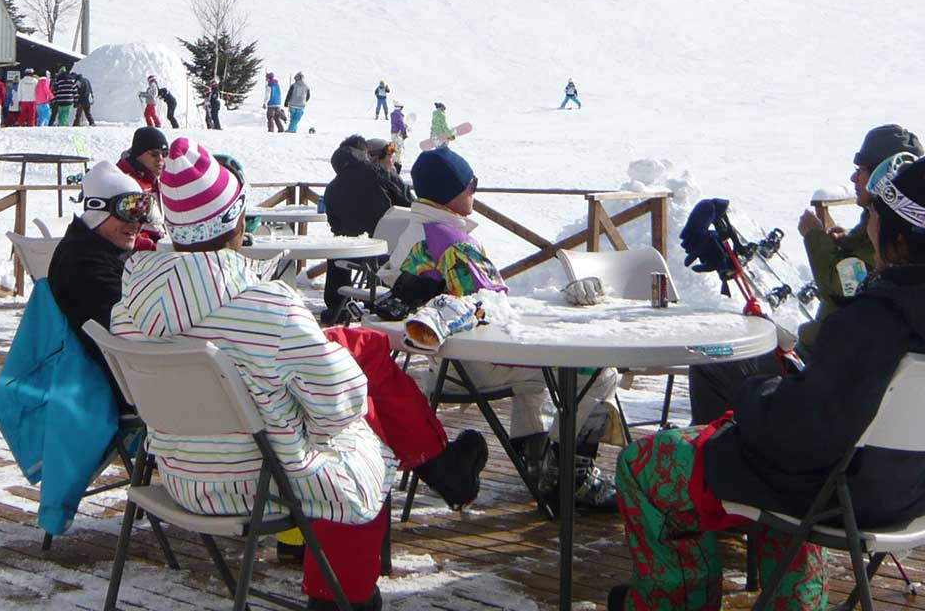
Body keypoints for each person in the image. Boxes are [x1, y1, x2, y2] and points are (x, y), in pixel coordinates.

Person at [611, 151, 925, 611]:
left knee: (644, 462)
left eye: (873, 216)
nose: (868, 226)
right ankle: (797, 602)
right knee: (804, 473)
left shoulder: (877, 318)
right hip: (916, 488)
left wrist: (753, 396)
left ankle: (674, 601)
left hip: (843, 495)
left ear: (898, 234)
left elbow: (802, 436)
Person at [113, 138, 486, 611]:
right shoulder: (268, 307)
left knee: (343, 377)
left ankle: (439, 470)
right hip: (257, 483)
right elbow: (340, 406)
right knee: (358, 444)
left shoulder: (129, 310)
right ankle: (341, 598)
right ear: (235, 222)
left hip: (181, 475)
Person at [382, 144, 622, 510]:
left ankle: (534, 457)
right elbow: (491, 305)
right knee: (599, 372)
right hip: (476, 361)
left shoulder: (415, 234)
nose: (474, 192)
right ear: (451, 193)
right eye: (471, 184)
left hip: (442, 364)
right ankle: (570, 474)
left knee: (533, 380)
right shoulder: (451, 242)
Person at [793, 124, 924, 355]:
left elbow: (843, 288)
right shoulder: (889, 220)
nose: (854, 177)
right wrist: (845, 243)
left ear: (882, 178)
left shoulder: (893, 234)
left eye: (861, 170)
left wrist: (814, 236)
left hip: (837, 353)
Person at [47, 161, 155, 397]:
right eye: (128, 210)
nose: (138, 223)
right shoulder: (86, 263)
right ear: (98, 210)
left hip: (112, 377)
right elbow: (134, 328)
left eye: (143, 209)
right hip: (107, 389)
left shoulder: (94, 249)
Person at [321, 134, 415, 314]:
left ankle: (336, 307)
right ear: (364, 154)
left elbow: (335, 226)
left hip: (351, 253)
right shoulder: (379, 173)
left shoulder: (332, 187)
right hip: (391, 253)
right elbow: (410, 204)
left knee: (336, 251)